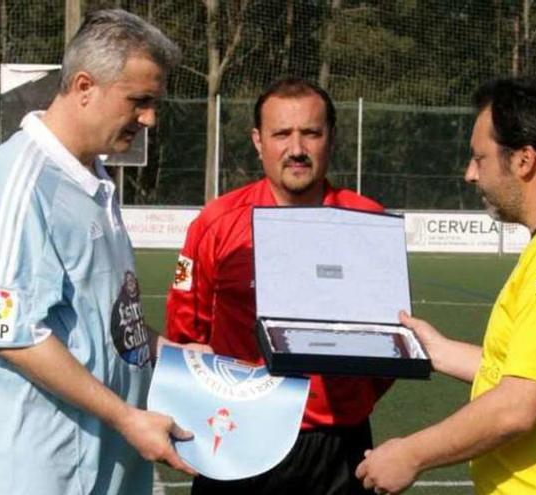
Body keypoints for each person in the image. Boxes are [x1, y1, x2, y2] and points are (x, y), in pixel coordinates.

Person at [0, 9, 201, 494]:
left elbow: (101, 317)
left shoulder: (93, 180)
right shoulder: (19, 181)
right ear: (84, 87)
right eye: (139, 101)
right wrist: (126, 416)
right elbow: (13, 335)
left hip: (95, 461)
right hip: (29, 468)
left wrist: (173, 354)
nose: (150, 118)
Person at [356, 76, 536, 494]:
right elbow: (526, 371)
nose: (470, 174)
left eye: (480, 158)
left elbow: (516, 406)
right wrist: (437, 350)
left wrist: (410, 454)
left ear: (524, 160)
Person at [166, 77, 392, 495]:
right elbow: (186, 335)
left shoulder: (369, 222)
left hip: (336, 444)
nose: (297, 149)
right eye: (281, 134)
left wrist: (346, 399)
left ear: (331, 138)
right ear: (257, 140)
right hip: (237, 436)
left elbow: (391, 344)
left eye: (311, 133)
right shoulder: (216, 222)